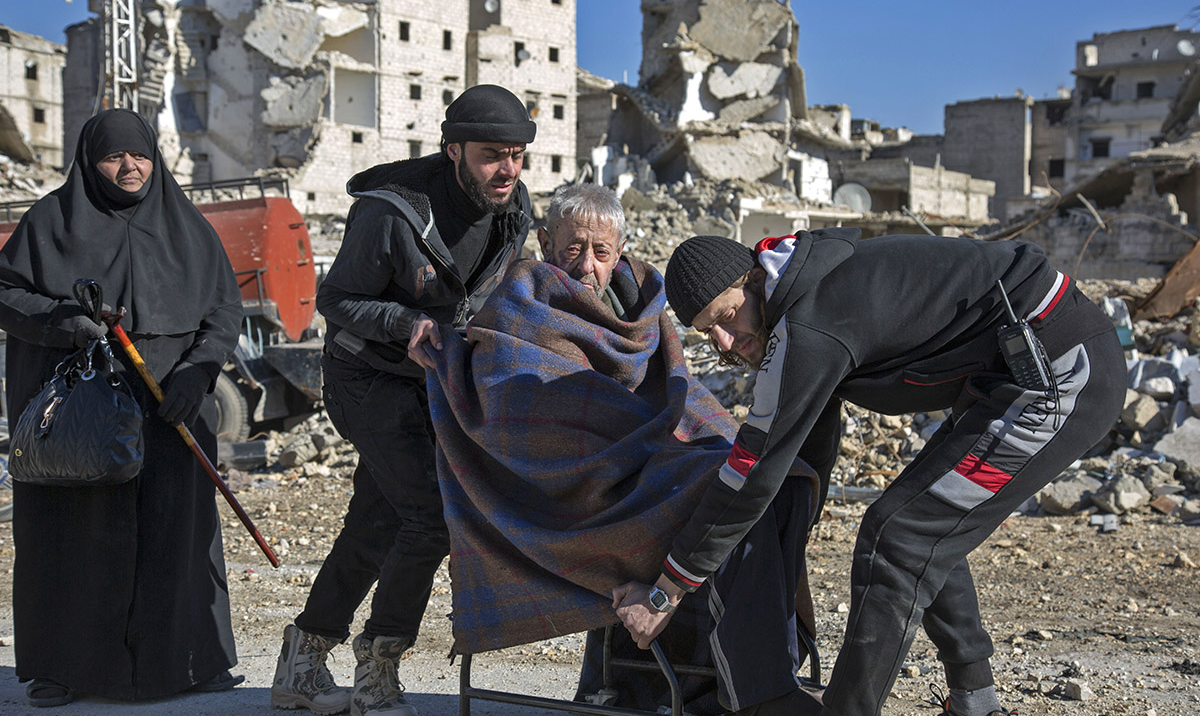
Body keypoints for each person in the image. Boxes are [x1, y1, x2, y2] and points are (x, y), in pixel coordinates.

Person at [612, 229, 1126, 716]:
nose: (724, 341)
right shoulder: (802, 287)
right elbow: (802, 456)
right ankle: (976, 703)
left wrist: (667, 590)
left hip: (1058, 372)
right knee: (915, 523)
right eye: (707, 333)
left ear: (752, 282)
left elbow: (752, 470)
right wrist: (782, 539)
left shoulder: (806, 326)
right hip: (1009, 376)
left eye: (727, 316)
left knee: (898, 538)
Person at [425, 183, 821, 715]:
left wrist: (713, 448)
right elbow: (515, 413)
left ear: (621, 251)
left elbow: (678, 394)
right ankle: (749, 692)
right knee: (718, 493)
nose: (587, 264)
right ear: (545, 242)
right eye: (572, 248)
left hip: (645, 471)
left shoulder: (642, 310)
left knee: (768, 478)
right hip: (572, 497)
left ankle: (744, 676)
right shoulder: (520, 305)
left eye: (602, 251)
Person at [270, 84, 536, 716]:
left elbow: (498, 291)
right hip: (366, 376)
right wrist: (404, 323)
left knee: (378, 517)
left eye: (518, 155)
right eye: (492, 155)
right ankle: (378, 667)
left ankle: (302, 658)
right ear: (454, 151)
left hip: (434, 380)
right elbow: (333, 302)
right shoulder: (391, 213)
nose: (508, 170)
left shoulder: (513, 206)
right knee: (428, 518)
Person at [0, 109, 244, 707]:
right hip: (87, 411)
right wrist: (67, 323)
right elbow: (6, 292)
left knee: (176, 533)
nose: (129, 167)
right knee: (76, 535)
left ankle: (193, 661)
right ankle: (63, 668)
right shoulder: (50, 221)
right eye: (114, 156)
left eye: (139, 155)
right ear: (91, 161)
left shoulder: (187, 225)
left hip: (172, 409)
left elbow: (223, 310)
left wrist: (200, 370)